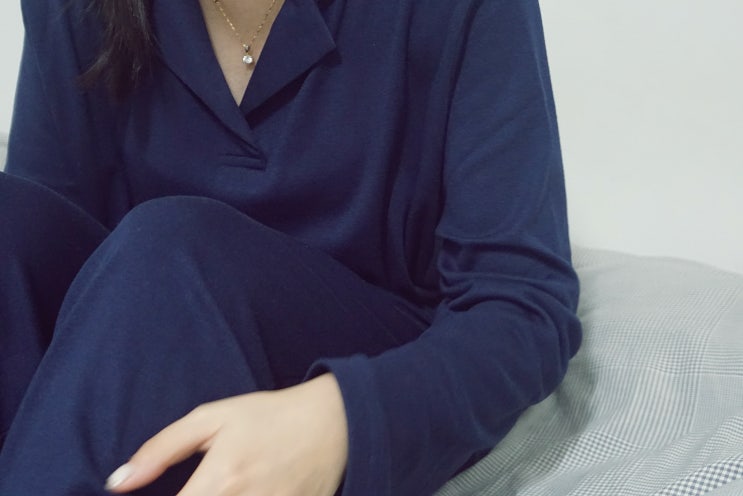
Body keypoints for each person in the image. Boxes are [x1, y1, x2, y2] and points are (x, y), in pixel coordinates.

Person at [0, 0, 582, 494]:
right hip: (138, 345)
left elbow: (521, 307)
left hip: (364, 352)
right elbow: (37, 258)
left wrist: (340, 420)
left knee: (168, 249)